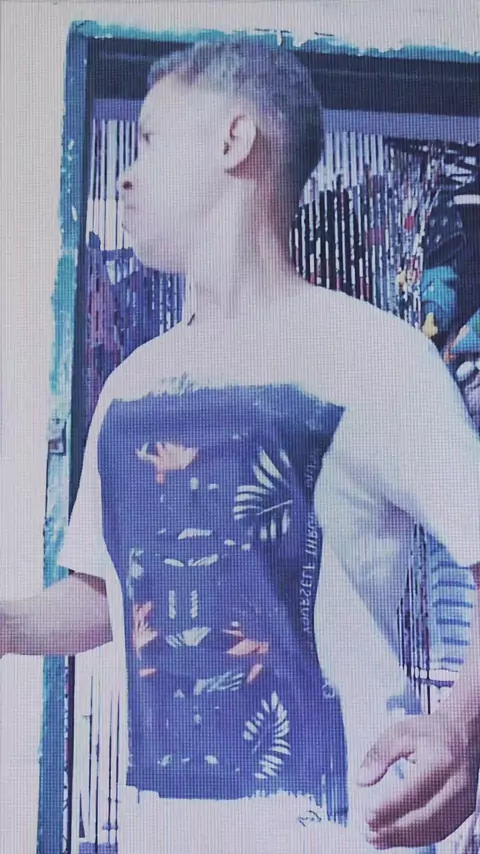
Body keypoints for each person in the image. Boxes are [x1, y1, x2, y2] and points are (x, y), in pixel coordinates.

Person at [1, 38, 480, 854]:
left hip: (344, 833)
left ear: (234, 139)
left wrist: (461, 727)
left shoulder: (379, 357)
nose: (126, 175)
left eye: (150, 140)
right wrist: (8, 623)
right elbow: (102, 595)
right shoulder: (130, 386)